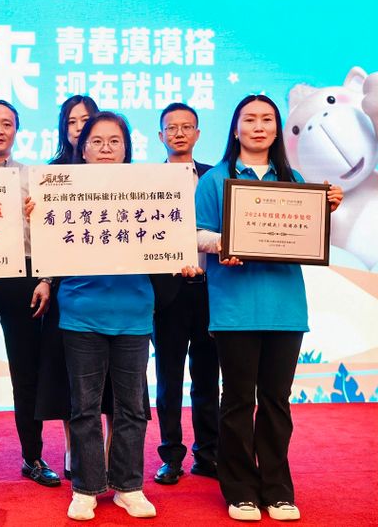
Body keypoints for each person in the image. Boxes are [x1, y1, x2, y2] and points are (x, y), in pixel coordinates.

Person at [194, 95, 343, 522]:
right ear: (235, 127)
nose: (258, 127)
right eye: (250, 119)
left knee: (277, 401)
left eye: (267, 120)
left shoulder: (294, 180)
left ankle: (277, 489)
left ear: (277, 129)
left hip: (285, 308)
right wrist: (224, 243)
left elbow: (309, 238)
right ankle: (240, 489)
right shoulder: (215, 179)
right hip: (235, 309)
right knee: (238, 401)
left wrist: (327, 209)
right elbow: (198, 234)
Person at [33, 111, 169, 521]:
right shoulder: (61, 189)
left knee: (131, 408)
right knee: (85, 408)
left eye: (114, 141)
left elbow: (171, 236)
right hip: (81, 311)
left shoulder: (150, 188)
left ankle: (129, 486)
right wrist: (33, 216)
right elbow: (50, 246)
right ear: (83, 148)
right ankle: (86, 487)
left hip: (133, 311)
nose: (106, 148)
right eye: (97, 141)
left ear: (127, 148)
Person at [0, 99, 60, 487]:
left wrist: (47, 279)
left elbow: (51, 232)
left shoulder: (34, 177)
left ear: (17, 130)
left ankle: (33, 457)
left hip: (24, 278)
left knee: (27, 374)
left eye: (6, 123)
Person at [35, 95, 113, 480]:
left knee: (112, 382)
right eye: (72, 121)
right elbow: (45, 239)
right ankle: (73, 450)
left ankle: (110, 455)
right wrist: (46, 279)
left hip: (113, 289)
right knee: (70, 377)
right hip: (66, 290)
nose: (80, 127)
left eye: (87, 120)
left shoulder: (122, 173)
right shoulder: (51, 174)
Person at [150, 102, 219, 486]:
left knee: (208, 376)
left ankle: (208, 454)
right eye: (171, 128)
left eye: (186, 126)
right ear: (160, 135)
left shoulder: (215, 178)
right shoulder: (145, 182)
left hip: (211, 290)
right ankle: (171, 457)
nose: (179, 133)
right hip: (168, 294)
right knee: (169, 379)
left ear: (197, 134)